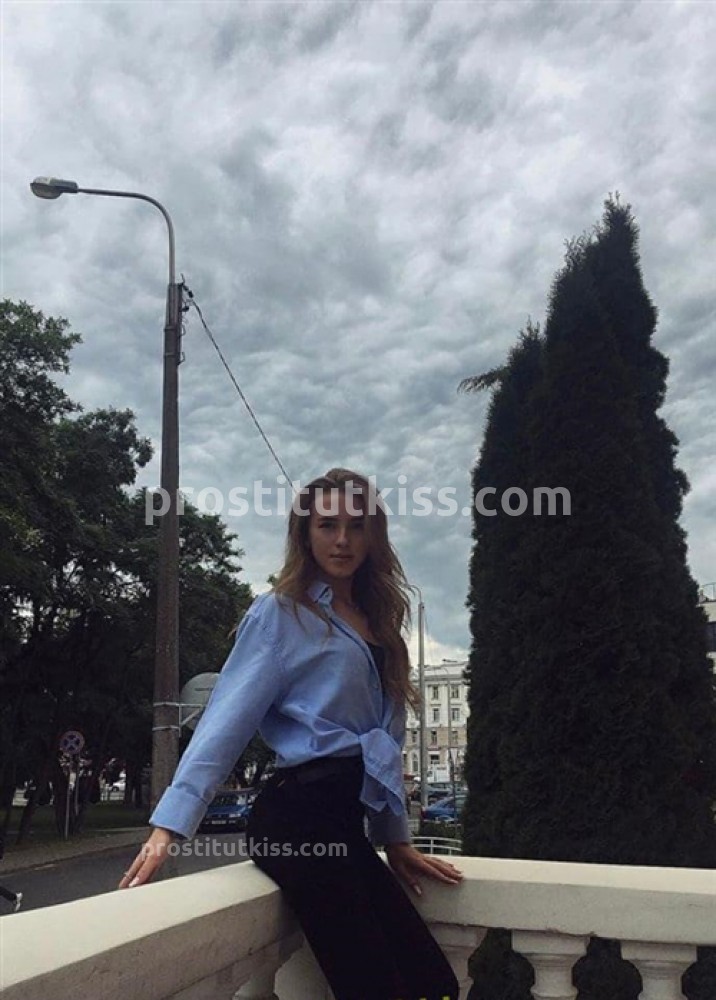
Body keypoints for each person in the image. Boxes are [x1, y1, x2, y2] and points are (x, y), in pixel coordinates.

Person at [119, 468, 462, 1000]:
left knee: (434, 981)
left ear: (374, 535)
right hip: (297, 820)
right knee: (377, 986)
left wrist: (395, 839)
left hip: (344, 824)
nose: (342, 539)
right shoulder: (280, 613)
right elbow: (225, 721)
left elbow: (385, 747)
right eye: (327, 525)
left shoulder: (381, 626)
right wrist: (170, 825)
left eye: (356, 525)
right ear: (305, 533)